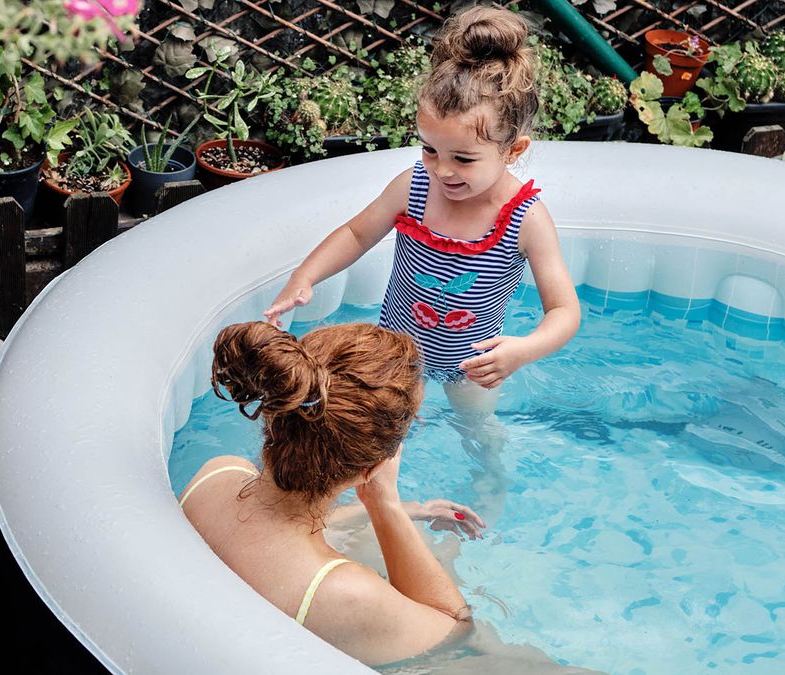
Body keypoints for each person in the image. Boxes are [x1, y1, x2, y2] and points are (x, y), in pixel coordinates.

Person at [263, 6, 580, 417]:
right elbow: (357, 234)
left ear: (512, 150)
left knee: (480, 435)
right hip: (394, 355)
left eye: (464, 159)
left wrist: (522, 351)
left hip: (472, 367)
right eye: (429, 149)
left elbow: (564, 311)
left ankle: (490, 481)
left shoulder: (525, 219)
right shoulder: (414, 186)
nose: (442, 169)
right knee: (380, 432)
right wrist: (303, 277)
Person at [179, 321, 485, 665]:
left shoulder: (217, 473)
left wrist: (386, 510)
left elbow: (276, 532)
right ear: (371, 469)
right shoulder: (344, 594)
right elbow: (456, 630)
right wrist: (386, 506)